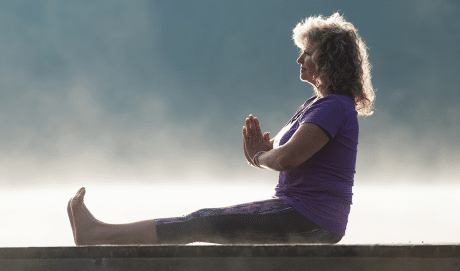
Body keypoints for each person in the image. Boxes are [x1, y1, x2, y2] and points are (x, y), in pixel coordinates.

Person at [66, 12, 374, 245]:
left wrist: (260, 157)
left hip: (312, 218)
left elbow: (287, 160)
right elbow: (284, 157)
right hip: (303, 213)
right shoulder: (318, 104)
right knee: (202, 220)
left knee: (201, 221)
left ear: (326, 57)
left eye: (306, 53)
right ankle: (97, 232)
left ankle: (96, 233)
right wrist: (265, 153)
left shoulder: (334, 106)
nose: (299, 59)